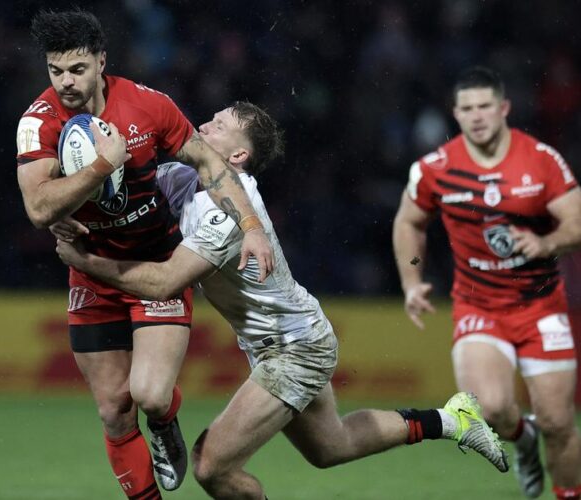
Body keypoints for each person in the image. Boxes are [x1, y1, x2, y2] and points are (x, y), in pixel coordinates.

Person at [54, 101, 509, 499]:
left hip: (296, 349)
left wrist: (83, 259)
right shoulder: (183, 176)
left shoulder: (229, 209)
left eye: (217, 125)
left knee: (212, 467)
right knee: (331, 448)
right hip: (286, 339)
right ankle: (453, 420)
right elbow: (127, 189)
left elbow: (164, 283)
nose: (202, 127)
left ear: (237, 156)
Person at [16, 8, 274, 497]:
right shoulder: (37, 122)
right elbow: (36, 206)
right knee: (114, 409)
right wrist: (99, 168)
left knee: (150, 396)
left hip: (155, 260)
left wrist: (252, 226)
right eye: (55, 71)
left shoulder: (147, 105)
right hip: (92, 274)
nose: (66, 82)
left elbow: (208, 163)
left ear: (100, 61)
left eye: (77, 69)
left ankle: (165, 422)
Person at [393, 66, 581, 500]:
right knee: (492, 409)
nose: (477, 116)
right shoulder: (436, 168)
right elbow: (409, 221)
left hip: (541, 307)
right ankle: (523, 441)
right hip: (479, 306)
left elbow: (576, 221)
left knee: (557, 420)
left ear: (504, 109)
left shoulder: (540, 159)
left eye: (485, 107)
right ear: (455, 114)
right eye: (467, 108)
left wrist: (546, 240)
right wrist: (412, 279)